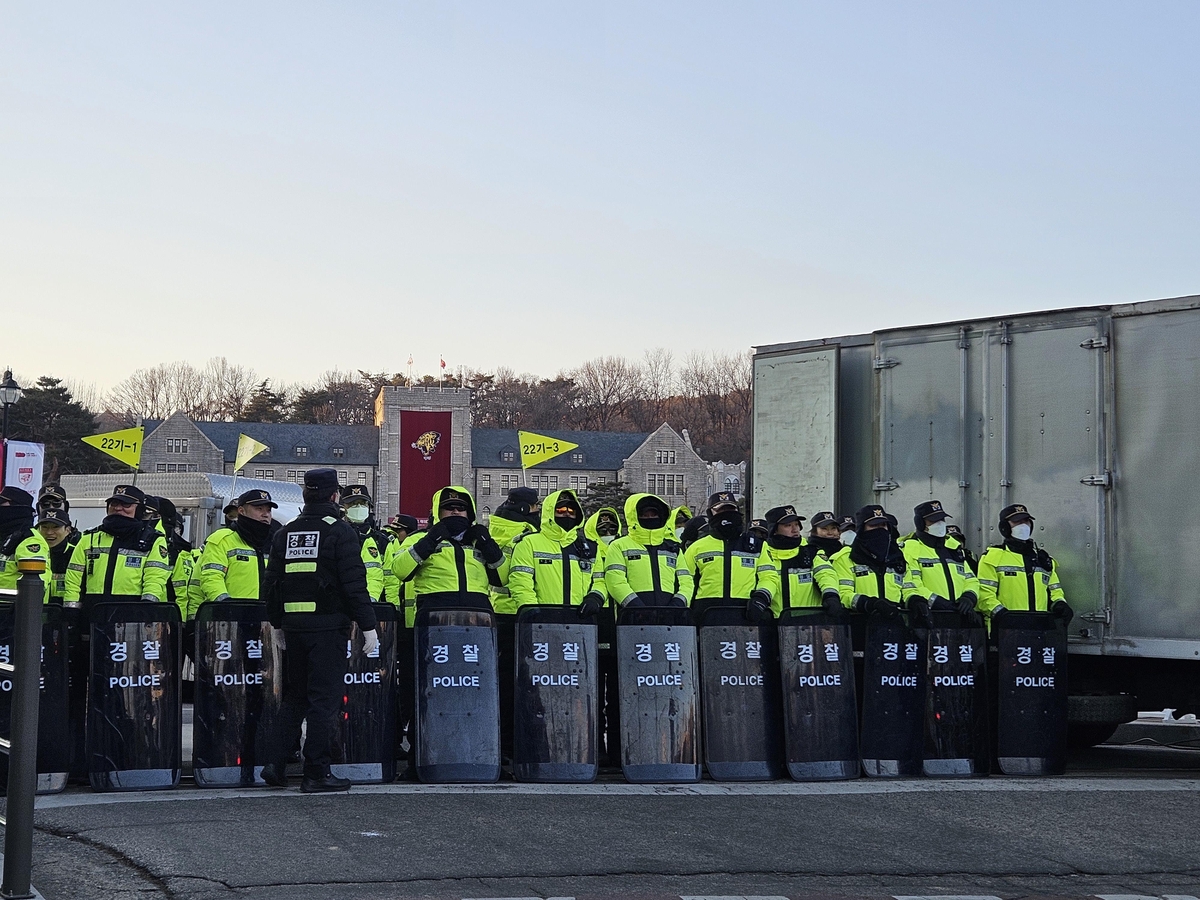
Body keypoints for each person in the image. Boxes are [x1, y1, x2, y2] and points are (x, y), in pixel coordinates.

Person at [259, 468, 378, 793]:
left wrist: (278, 623)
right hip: (328, 629)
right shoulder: (340, 532)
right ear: (334, 496)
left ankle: (276, 764)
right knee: (323, 702)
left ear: (305, 495)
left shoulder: (286, 533)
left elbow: (271, 585)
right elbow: (355, 585)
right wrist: (369, 627)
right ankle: (316, 773)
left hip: (294, 630)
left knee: (294, 698)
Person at [390, 487, 504, 611]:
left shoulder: (477, 540)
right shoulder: (419, 537)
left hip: (477, 616)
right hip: (435, 618)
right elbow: (400, 570)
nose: (455, 511)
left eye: (461, 508)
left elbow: (502, 579)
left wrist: (488, 544)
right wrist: (430, 540)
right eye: (449, 507)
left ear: (469, 513)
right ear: (437, 511)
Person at [64, 484, 169, 605]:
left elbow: (155, 579)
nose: (118, 508)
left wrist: (146, 608)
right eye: (114, 504)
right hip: (93, 612)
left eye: (126, 504)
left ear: (139, 509)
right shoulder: (89, 538)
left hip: (132, 613)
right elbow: (73, 579)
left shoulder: (153, 540)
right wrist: (71, 608)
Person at [683, 492, 778, 623]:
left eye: (730, 509)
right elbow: (684, 581)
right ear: (711, 514)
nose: (726, 513)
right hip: (706, 617)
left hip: (746, 616)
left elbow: (769, 577)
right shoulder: (696, 547)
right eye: (720, 510)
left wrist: (761, 598)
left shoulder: (758, 545)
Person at [506, 490, 605, 614]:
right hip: (542, 621)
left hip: (581, 621)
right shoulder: (529, 543)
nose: (567, 514)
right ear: (550, 512)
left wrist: (595, 598)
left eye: (571, 511)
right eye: (561, 510)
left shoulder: (591, 548)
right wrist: (531, 611)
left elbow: (600, 581)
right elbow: (520, 582)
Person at [977, 504, 1073, 626]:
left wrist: (1060, 604)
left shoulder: (1043, 559)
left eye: (1026, 521)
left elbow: (1055, 590)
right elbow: (984, 594)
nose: (1023, 525)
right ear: (1005, 527)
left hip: (1039, 629)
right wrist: (1002, 615)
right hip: (1005, 631)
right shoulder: (993, 558)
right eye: (1017, 522)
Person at [603, 493, 694, 611]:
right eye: (644, 515)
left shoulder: (673, 548)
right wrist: (635, 606)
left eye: (653, 514)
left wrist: (678, 604)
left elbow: (686, 581)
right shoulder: (619, 545)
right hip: (632, 616)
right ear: (634, 516)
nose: (650, 518)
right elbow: (615, 580)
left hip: (670, 617)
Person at [833, 505, 923, 622]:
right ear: (862, 529)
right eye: (874, 525)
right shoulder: (846, 558)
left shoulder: (898, 557)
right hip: (859, 625)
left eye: (883, 525)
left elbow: (908, 589)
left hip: (895, 624)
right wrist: (870, 604)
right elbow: (843, 595)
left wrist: (915, 600)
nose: (880, 529)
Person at [194, 490, 277, 611]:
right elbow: (211, 578)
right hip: (231, 618)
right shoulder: (222, 540)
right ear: (242, 511)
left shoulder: (275, 542)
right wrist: (226, 605)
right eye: (259, 509)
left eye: (268, 510)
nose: (265, 514)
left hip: (266, 619)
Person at [901, 500, 980, 620]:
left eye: (942, 519)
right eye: (933, 521)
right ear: (921, 523)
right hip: (929, 617)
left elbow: (971, 579)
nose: (940, 524)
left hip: (960, 617)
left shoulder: (954, 548)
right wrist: (936, 601)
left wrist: (969, 597)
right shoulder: (911, 548)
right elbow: (912, 583)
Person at [763, 506, 843, 615]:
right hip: (772, 621)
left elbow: (826, 575)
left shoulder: (812, 552)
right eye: (788, 525)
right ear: (774, 529)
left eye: (796, 524)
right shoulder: (764, 552)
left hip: (806, 622)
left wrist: (830, 595)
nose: (795, 529)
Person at [145, 497, 195, 620]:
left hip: (162, 617)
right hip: (157, 616)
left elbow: (181, 592)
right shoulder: (182, 551)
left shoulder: (181, 552)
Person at [340, 484, 388, 604]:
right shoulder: (335, 536)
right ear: (344, 507)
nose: (358, 507)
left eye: (362, 503)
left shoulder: (381, 541)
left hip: (374, 605)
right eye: (353, 503)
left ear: (369, 507)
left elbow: (390, 580)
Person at [0, 487, 48, 596]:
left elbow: (34, 588)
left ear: (16, 508)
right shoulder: (4, 535)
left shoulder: (30, 540)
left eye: (1, 502)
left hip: (13, 609)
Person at [38, 508, 74, 602]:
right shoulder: (30, 553)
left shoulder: (75, 554)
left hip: (64, 613)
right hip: (33, 612)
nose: (49, 532)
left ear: (68, 530)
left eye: (55, 527)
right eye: (44, 527)